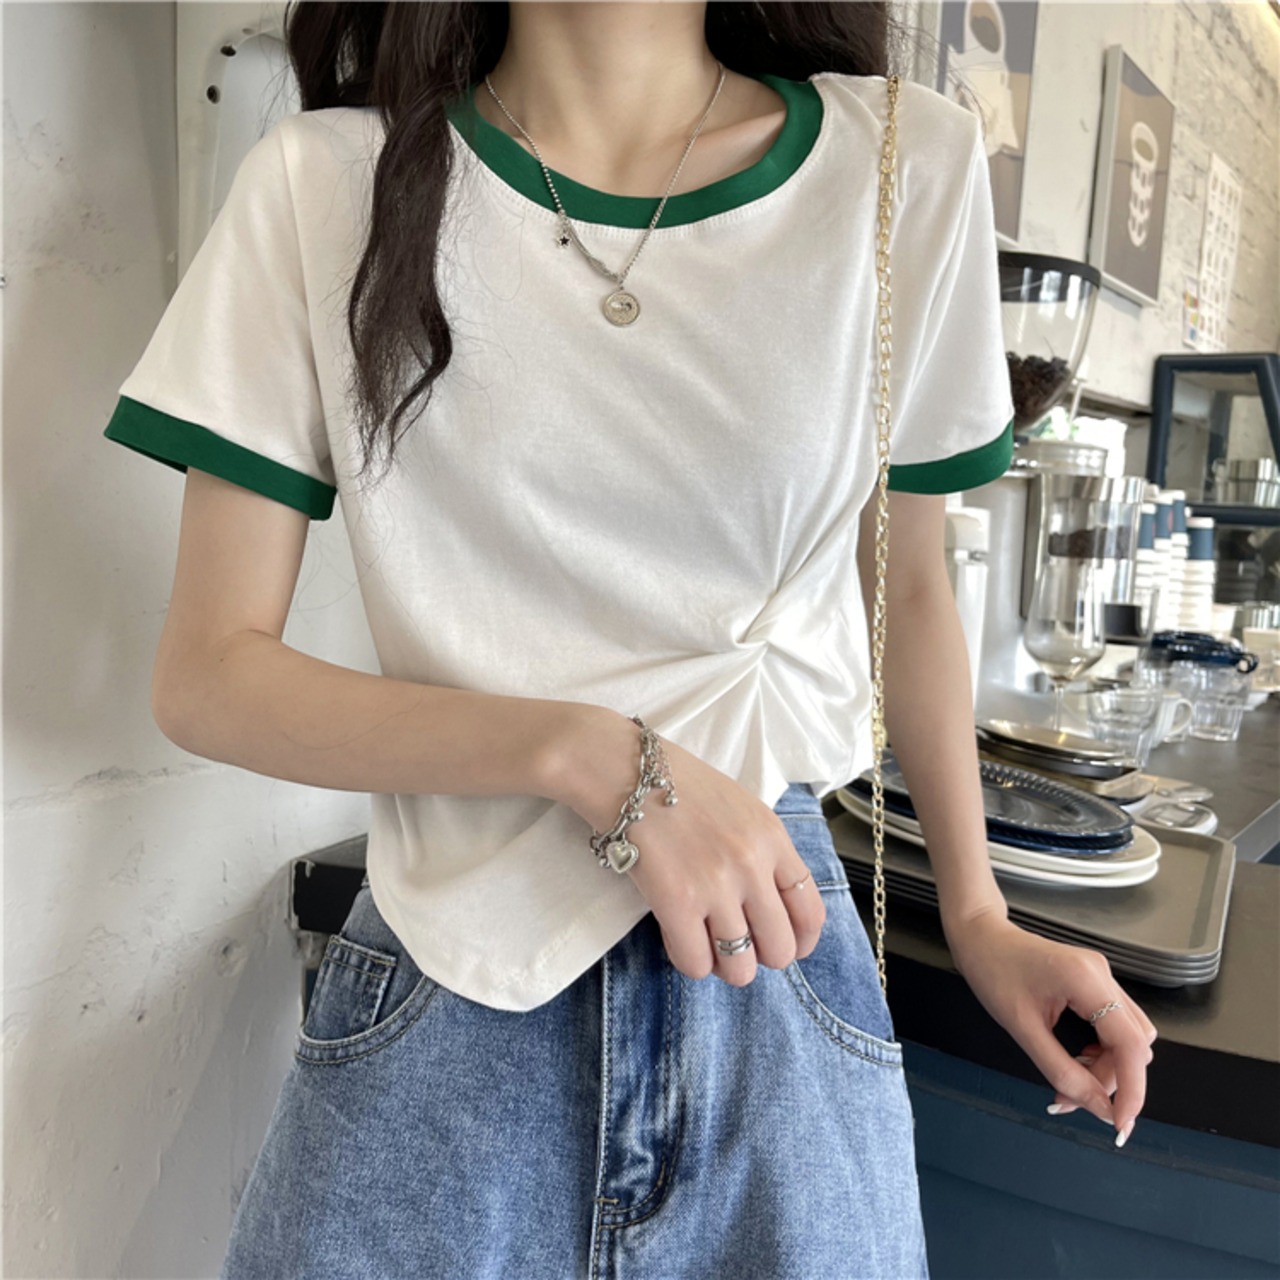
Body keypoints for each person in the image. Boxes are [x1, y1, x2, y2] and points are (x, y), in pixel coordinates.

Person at [103, 2, 1157, 1275]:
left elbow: (909, 583)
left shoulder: (898, 164)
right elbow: (209, 674)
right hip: (452, 973)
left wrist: (979, 913)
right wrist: (590, 754)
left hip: (776, 971)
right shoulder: (325, 183)